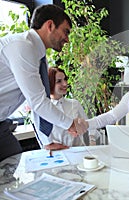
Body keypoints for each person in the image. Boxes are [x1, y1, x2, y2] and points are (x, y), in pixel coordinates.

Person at [0, 4, 87, 160]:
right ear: (50, 25)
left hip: (1, 124)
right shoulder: (22, 46)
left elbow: (39, 99)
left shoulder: (39, 56)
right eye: (65, 32)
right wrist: (70, 124)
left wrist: (47, 141)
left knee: (12, 166)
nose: (67, 39)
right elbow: (38, 102)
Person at [47, 67, 99, 148]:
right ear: (50, 83)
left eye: (65, 79)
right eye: (59, 81)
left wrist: (92, 140)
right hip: (57, 154)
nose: (64, 84)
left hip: (79, 152)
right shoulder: (46, 108)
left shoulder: (74, 104)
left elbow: (89, 125)